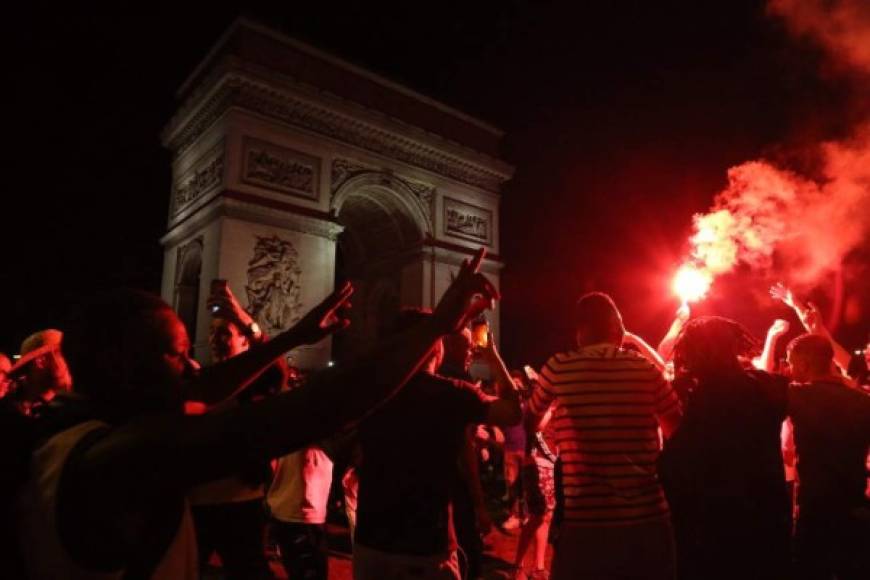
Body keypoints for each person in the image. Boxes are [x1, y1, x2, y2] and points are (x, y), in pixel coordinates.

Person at [14, 247, 498, 579]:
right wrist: (435, 325)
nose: (191, 366)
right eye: (175, 354)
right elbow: (313, 410)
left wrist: (293, 338)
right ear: (123, 364)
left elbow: (205, 385)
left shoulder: (83, 426)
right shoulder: (117, 459)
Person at [353, 308, 521, 580]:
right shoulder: (451, 393)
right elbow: (513, 412)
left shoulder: (370, 391)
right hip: (425, 545)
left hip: (370, 542)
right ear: (435, 346)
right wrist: (491, 355)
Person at [528, 292, 682, 580]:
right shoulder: (646, 369)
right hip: (647, 521)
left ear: (579, 333)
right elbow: (678, 434)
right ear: (619, 330)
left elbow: (530, 423)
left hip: (586, 524)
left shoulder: (558, 367)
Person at [660, 316, 791, 580]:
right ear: (734, 346)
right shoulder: (770, 386)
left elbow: (676, 461)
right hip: (766, 520)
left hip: (711, 528)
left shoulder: (691, 394)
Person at [188, 283, 286, 579]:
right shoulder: (197, 379)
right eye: (212, 332)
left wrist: (247, 321)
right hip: (194, 502)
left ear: (245, 343)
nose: (215, 339)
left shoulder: (258, 383)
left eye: (225, 333)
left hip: (241, 503)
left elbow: (276, 369)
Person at [786, 333, 870, 580]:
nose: (790, 369)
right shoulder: (863, 401)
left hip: (815, 508)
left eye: (791, 363)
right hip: (854, 505)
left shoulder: (797, 396)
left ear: (803, 364)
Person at [512, 394, 558, 580]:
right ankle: (517, 566)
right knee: (536, 516)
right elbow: (536, 427)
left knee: (545, 518)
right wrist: (552, 408)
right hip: (536, 464)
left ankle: (538, 567)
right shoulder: (541, 404)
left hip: (551, 466)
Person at [6, 329, 73, 416]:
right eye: (61, 354)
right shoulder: (8, 410)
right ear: (40, 361)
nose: (67, 363)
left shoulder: (69, 408)